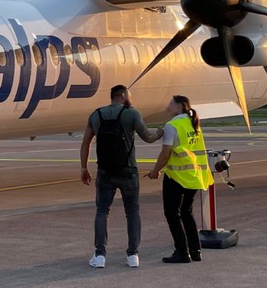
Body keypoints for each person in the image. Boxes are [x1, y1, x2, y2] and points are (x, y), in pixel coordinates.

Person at [80, 85, 163, 269]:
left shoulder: (96, 115)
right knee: (132, 212)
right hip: (128, 171)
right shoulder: (131, 113)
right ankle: (133, 255)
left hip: (105, 172)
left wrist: (83, 168)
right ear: (123, 95)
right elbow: (148, 137)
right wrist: (160, 131)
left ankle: (100, 255)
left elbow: (85, 143)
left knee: (102, 212)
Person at [147, 95, 213, 264]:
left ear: (180, 106)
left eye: (171, 103)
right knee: (187, 212)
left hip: (176, 176)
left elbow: (165, 153)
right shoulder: (193, 123)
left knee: (172, 214)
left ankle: (182, 252)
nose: (168, 106)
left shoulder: (172, 125)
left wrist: (155, 170)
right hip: (194, 175)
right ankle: (195, 250)